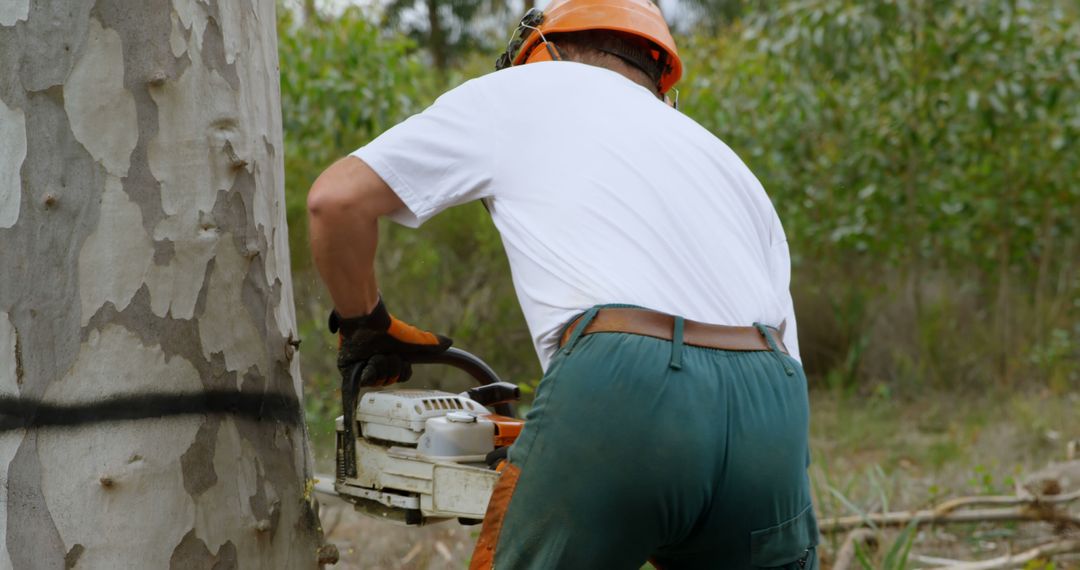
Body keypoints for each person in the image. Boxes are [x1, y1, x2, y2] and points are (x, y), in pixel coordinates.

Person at [306, 0, 819, 567]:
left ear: (540, 49)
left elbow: (336, 202)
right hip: (774, 404)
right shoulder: (727, 163)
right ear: (659, 77)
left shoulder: (525, 91)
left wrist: (366, 326)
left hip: (623, 381)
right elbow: (784, 354)